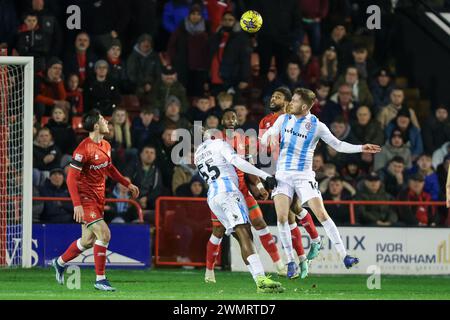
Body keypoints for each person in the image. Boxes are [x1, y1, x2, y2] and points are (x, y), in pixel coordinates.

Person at [260, 88, 381, 278]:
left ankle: (344, 256)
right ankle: (291, 261)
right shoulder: (284, 119)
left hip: (304, 176)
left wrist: (361, 147)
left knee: (322, 214)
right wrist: (266, 138)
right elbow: (269, 134)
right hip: (283, 174)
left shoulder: (317, 126)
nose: (290, 104)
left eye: (295, 101)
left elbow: (338, 145)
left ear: (305, 106)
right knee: (282, 217)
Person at [51, 109, 139, 292]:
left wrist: (126, 184)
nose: (108, 122)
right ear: (97, 125)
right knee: (104, 234)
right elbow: (70, 178)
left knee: (87, 241)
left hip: (99, 198)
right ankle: (100, 279)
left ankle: (59, 262)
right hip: (85, 199)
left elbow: (110, 168)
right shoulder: (83, 149)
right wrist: (77, 205)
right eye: (104, 120)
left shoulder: (106, 145)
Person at [194, 127, 283, 293]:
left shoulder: (198, 154)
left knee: (244, 237)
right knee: (244, 234)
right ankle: (261, 279)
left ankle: (259, 280)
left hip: (213, 197)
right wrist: (264, 176)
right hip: (228, 192)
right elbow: (238, 162)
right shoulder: (219, 144)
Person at [258, 87, 322, 266]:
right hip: (276, 170)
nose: (272, 99)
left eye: (277, 97)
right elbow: (264, 148)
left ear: (287, 102)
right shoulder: (265, 121)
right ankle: (302, 259)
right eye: (272, 95)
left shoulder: (293, 119)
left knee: (292, 211)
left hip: (293, 170)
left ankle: (310, 247)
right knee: (290, 213)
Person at [167, 3, 210, 96]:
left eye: (198, 14)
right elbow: (171, 46)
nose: (196, 16)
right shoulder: (181, 28)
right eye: (193, 14)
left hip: (200, 67)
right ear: (189, 15)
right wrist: (175, 59)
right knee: (184, 92)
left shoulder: (207, 29)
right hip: (183, 66)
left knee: (198, 93)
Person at [209, 11, 251, 95]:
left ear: (235, 22)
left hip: (232, 79)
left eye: (230, 20)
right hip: (214, 79)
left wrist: (244, 79)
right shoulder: (216, 36)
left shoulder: (241, 38)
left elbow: (245, 59)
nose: (227, 22)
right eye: (224, 19)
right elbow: (209, 57)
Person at [125, 145, 164, 211]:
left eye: (152, 153)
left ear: (155, 156)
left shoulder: (156, 171)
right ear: (141, 154)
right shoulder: (133, 167)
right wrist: (136, 199)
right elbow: (126, 182)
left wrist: (147, 199)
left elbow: (158, 189)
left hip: (149, 202)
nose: (149, 155)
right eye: (146, 152)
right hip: (133, 200)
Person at [126, 33, 162, 102]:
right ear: (139, 43)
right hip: (137, 86)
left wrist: (151, 86)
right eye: (143, 42)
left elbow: (158, 74)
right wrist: (143, 85)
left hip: (153, 87)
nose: (146, 45)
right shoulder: (132, 57)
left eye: (148, 43)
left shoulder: (155, 57)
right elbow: (131, 75)